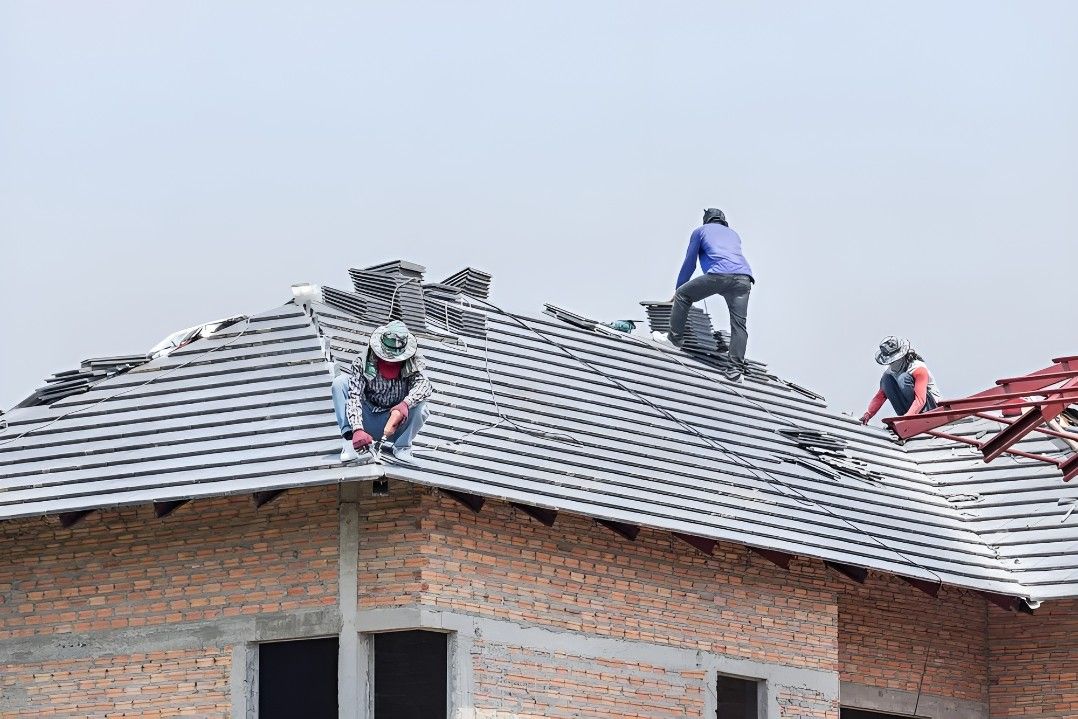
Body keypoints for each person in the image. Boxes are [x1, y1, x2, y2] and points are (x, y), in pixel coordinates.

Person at [653, 208, 754, 382]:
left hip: (720, 275)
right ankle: (735, 371)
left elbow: (689, 264)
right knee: (739, 324)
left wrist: (678, 291)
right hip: (744, 279)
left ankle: (674, 339)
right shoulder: (734, 234)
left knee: (684, 295)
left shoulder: (700, 231)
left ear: (706, 220)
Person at [330, 320, 433, 463]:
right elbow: (354, 397)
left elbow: (424, 385)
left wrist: (404, 404)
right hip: (365, 418)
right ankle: (350, 442)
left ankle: (402, 447)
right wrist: (357, 429)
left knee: (422, 407)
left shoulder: (412, 362)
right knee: (340, 383)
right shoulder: (363, 361)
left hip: (393, 422)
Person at [860, 336, 941, 425]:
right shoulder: (889, 373)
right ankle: (908, 415)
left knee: (903, 378)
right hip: (908, 411)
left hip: (929, 408)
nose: (892, 364)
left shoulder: (918, 368)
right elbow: (880, 396)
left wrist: (905, 419)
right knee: (886, 380)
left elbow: (920, 400)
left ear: (902, 357)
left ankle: (911, 416)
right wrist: (868, 414)